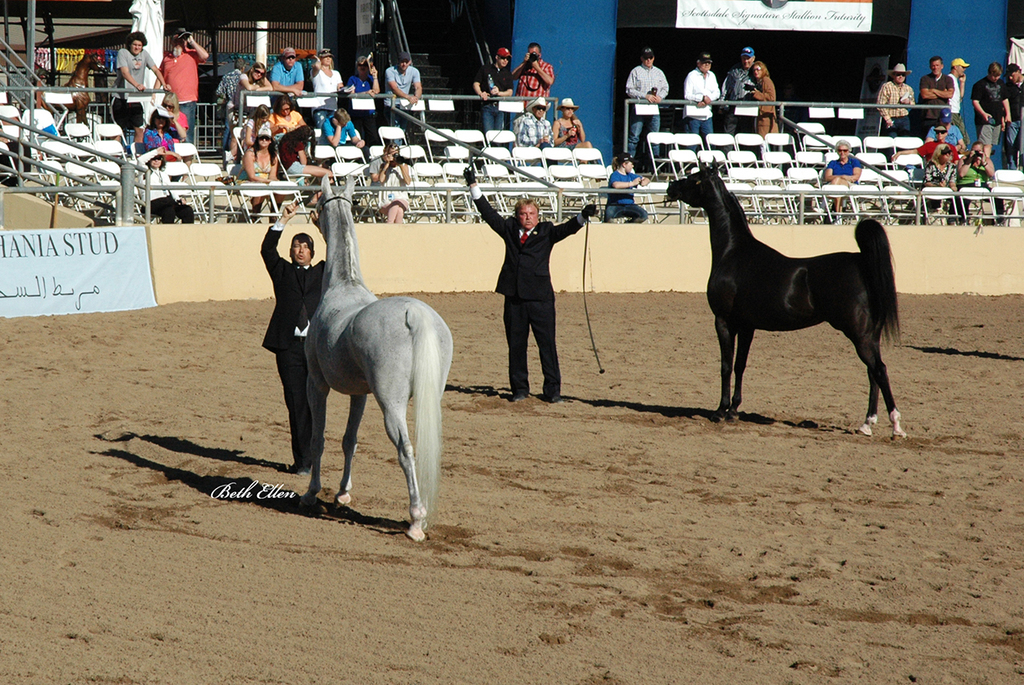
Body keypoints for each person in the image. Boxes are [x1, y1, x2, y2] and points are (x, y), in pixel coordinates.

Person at [463, 165, 596, 402]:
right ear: (517, 215)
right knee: (516, 346)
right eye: (523, 214)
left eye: (531, 214)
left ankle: (553, 391)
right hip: (514, 297)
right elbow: (487, 212)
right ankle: (520, 389)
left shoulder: (546, 231)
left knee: (547, 345)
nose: (527, 218)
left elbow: (567, 229)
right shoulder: (508, 228)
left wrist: (583, 216)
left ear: (538, 215)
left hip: (540, 298)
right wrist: (473, 185)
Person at [261, 202, 324, 475]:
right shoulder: (281, 271)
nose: (301, 250)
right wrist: (283, 221)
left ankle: (314, 458)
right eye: (296, 246)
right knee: (297, 403)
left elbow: (340, 253)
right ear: (291, 251)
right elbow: (266, 250)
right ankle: (303, 463)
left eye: (305, 246)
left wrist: (321, 228)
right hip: (288, 348)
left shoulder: (323, 272)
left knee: (316, 404)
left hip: (317, 348)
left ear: (312, 251)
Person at [113, 32, 169, 150]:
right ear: (130, 45)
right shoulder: (123, 53)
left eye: (140, 45)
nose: (137, 47)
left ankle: (136, 153)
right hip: (121, 97)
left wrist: (164, 84)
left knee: (139, 127)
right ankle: (116, 154)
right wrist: (136, 84)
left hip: (135, 98)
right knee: (118, 129)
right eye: (135, 45)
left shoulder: (144, 54)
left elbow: (156, 69)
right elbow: (124, 72)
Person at [160, 29, 208, 144]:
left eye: (182, 40)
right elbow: (160, 75)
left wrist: (192, 41)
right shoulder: (166, 58)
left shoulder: (192, 54)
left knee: (187, 133)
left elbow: (205, 56)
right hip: (170, 102)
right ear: (171, 42)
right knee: (168, 131)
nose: (179, 43)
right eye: (176, 40)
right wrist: (154, 94)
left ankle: (188, 158)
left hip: (187, 100)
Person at [624, 47, 669, 164]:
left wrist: (660, 97)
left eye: (650, 58)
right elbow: (629, 89)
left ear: (653, 58)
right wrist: (645, 96)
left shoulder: (659, 72)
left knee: (654, 137)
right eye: (645, 58)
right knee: (634, 137)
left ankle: (655, 163)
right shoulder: (636, 71)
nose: (648, 60)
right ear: (641, 58)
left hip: (654, 109)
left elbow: (665, 88)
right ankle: (629, 162)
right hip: (639, 109)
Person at [138, 146, 195, 224]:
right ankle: (167, 235)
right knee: (168, 210)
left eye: (159, 159)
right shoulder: (144, 171)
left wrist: (178, 199)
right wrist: (156, 152)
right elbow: (140, 160)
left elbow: (170, 188)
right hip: (150, 203)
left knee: (187, 210)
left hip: (166, 202)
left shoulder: (163, 174)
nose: (156, 161)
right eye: (154, 159)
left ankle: (187, 234)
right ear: (149, 160)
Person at [971, 62, 1011, 160]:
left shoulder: (1001, 83)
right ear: (989, 73)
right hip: (985, 120)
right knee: (986, 144)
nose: (996, 78)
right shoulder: (980, 84)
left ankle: (986, 160)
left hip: (997, 119)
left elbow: (1005, 99)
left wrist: (1007, 114)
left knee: (991, 144)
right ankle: (986, 164)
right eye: (994, 76)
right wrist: (983, 113)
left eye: (998, 75)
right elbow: (975, 101)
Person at [957, 141, 1003, 223]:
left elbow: (991, 174)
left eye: (978, 151)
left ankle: (998, 220)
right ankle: (962, 220)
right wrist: (969, 160)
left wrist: (984, 163)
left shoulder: (987, 160)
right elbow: (961, 174)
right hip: (966, 185)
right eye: (974, 151)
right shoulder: (964, 159)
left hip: (982, 185)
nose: (976, 153)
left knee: (997, 198)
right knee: (962, 199)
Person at [368, 142, 412, 222]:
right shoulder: (383, 166)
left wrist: (400, 165)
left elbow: (408, 182)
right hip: (387, 199)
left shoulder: (404, 166)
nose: (394, 156)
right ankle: (396, 231)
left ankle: (389, 227)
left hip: (401, 197)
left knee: (397, 204)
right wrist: (387, 164)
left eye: (395, 154)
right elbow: (381, 180)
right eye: (392, 154)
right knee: (399, 210)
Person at [474, 47, 515, 133]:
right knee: (488, 134)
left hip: (501, 107)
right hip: (487, 106)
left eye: (507, 59)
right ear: (497, 57)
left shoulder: (507, 74)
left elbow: (510, 92)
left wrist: (499, 93)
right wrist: (481, 93)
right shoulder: (485, 69)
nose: (505, 61)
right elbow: (476, 83)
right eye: (503, 58)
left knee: (498, 136)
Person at [239, 131, 280, 214]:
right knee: (262, 186)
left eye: (267, 138)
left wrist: (273, 181)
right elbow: (251, 176)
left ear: (270, 141)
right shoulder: (250, 154)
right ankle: (255, 213)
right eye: (261, 138)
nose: (264, 140)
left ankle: (274, 214)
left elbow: (272, 175)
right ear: (257, 140)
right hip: (248, 180)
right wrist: (268, 181)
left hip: (265, 181)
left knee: (280, 189)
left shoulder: (273, 155)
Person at [682, 52, 720, 141]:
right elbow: (687, 95)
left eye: (709, 62)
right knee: (692, 144)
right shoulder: (691, 75)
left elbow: (717, 93)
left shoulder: (712, 75)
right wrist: (702, 98)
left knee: (710, 144)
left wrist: (708, 99)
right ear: (698, 63)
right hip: (693, 116)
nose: (707, 64)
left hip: (707, 115)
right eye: (704, 62)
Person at [216, 57, 247, 165]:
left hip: (229, 105)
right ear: (243, 68)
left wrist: (225, 98)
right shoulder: (244, 78)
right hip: (242, 106)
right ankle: (235, 156)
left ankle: (226, 154)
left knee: (228, 131)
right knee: (239, 133)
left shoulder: (226, 76)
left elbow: (219, 91)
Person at [346, 55, 381, 146]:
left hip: (368, 113)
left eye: (365, 65)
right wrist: (366, 93)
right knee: (358, 136)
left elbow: (376, 91)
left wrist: (375, 77)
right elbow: (351, 95)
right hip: (356, 113)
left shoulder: (370, 79)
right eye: (360, 65)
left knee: (373, 137)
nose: (362, 67)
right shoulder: (353, 79)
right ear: (357, 67)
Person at [605, 154, 649, 223]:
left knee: (643, 215)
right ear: (624, 165)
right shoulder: (614, 175)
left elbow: (646, 179)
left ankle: (628, 225)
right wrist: (632, 183)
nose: (633, 166)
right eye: (631, 164)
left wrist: (644, 181)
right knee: (609, 216)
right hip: (615, 205)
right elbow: (616, 185)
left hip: (629, 205)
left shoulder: (631, 175)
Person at [824, 140, 862, 219]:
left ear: (849, 151)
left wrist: (841, 178)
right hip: (836, 183)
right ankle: (838, 213)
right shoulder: (833, 163)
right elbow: (827, 177)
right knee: (838, 181)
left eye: (845, 150)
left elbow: (855, 177)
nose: (842, 152)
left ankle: (835, 212)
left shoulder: (854, 162)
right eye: (840, 150)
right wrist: (842, 177)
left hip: (849, 184)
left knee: (837, 182)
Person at [722, 47, 756, 135]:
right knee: (728, 134)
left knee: (746, 135)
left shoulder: (757, 70)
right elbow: (726, 87)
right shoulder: (734, 69)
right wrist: (722, 104)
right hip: (734, 106)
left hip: (749, 108)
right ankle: (728, 149)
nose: (746, 61)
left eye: (748, 59)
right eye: (744, 58)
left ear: (753, 58)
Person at [384, 51, 422, 131]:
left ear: (410, 62)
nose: (404, 64)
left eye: (406, 62)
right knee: (396, 131)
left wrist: (416, 97)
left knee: (402, 130)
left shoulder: (414, 71)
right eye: (402, 61)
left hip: (405, 105)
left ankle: (398, 143)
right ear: (398, 61)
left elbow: (418, 87)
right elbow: (394, 88)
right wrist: (408, 97)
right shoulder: (390, 71)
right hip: (391, 105)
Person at [919, 56, 954, 138]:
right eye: (933, 65)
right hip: (928, 116)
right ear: (930, 67)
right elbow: (924, 95)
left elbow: (950, 94)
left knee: (943, 139)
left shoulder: (948, 79)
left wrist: (933, 90)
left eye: (937, 65)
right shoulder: (925, 79)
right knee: (928, 140)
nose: (935, 68)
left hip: (943, 117)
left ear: (942, 66)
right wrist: (943, 93)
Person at [310, 49, 344, 134]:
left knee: (333, 132)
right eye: (325, 57)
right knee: (321, 132)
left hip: (333, 108)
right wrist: (317, 61)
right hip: (319, 107)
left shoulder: (336, 73)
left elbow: (340, 86)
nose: (328, 59)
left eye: (330, 57)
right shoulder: (316, 72)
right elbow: (317, 67)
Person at [922, 143, 958, 220]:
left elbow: (952, 181)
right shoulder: (931, 165)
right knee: (936, 195)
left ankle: (952, 220)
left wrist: (953, 186)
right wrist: (938, 186)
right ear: (939, 154)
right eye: (945, 153)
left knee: (958, 197)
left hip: (946, 189)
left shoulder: (952, 167)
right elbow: (926, 182)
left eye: (949, 152)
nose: (948, 155)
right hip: (932, 189)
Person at [877, 63, 914, 138]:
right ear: (893, 75)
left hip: (904, 118)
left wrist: (908, 102)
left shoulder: (908, 88)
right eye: (898, 74)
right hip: (891, 118)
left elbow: (913, 103)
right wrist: (887, 119)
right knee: (892, 142)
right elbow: (880, 104)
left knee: (905, 143)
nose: (901, 77)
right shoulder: (887, 86)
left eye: (903, 75)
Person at [893, 124, 961, 164]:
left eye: (942, 132)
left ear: (946, 133)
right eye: (937, 132)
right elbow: (915, 151)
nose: (939, 134)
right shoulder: (929, 145)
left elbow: (956, 161)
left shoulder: (951, 147)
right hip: (933, 171)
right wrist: (900, 153)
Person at [748, 60, 778, 136]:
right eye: (754, 70)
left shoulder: (766, 80)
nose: (756, 72)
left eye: (758, 69)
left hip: (766, 116)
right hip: (761, 116)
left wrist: (757, 94)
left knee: (763, 140)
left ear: (763, 70)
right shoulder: (759, 81)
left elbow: (771, 98)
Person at [1004, 64, 1023, 171]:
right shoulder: (1008, 87)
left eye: (1012, 75)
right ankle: (1012, 168)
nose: (1010, 78)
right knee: (1011, 145)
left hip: (1023, 120)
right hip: (1013, 120)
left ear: (1018, 72)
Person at [950, 57, 971, 145]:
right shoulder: (950, 78)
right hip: (952, 112)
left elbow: (960, 98)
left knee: (962, 138)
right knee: (963, 138)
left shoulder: (955, 80)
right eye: (962, 67)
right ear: (955, 67)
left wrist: (962, 83)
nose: (964, 69)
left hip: (956, 111)